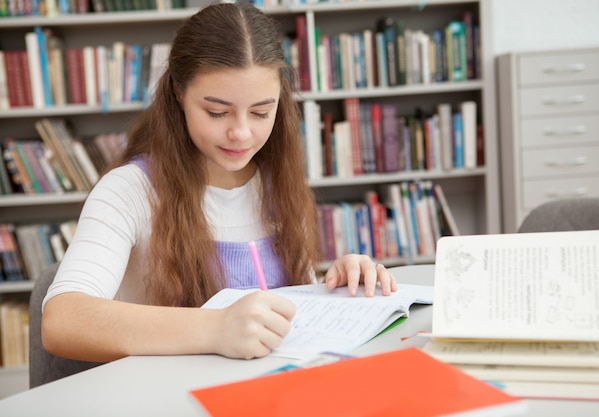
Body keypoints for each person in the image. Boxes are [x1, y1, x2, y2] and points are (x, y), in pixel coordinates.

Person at [41, 1, 396, 363]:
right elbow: (62, 321)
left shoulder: (276, 184)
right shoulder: (128, 191)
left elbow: (283, 320)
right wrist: (216, 328)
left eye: (261, 112)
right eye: (217, 111)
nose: (241, 133)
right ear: (179, 93)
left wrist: (332, 289)